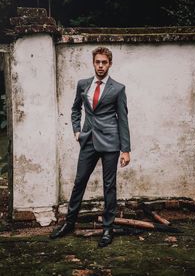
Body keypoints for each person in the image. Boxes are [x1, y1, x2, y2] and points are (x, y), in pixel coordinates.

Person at [50, 46, 131, 247]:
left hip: (111, 142)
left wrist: (126, 149)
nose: (101, 65)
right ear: (93, 63)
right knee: (79, 183)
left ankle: (107, 229)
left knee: (109, 186)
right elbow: (75, 109)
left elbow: (123, 119)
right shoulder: (83, 84)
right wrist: (77, 130)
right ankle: (69, 223)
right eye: (98, 62)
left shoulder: (118, 88)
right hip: (88, 141)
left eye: (104, 62)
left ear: (109, 64)